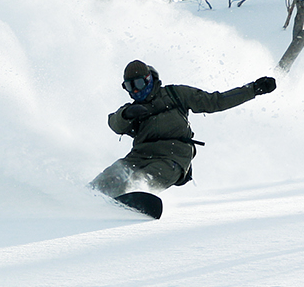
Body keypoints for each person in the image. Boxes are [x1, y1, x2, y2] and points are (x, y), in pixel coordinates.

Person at [90, 58, 276, 198]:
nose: (136, 91)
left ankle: (131, 198)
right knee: (109, 178)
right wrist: (127, 114)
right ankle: (87, 200)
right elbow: (114, 123)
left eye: (139, 84)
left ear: (149, 80)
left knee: (140, 179)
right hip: (139, 156)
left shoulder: (175, 94)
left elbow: (215, 101)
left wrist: (252, 89)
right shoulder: (131, 109)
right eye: (130, 87)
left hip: (173, 157)